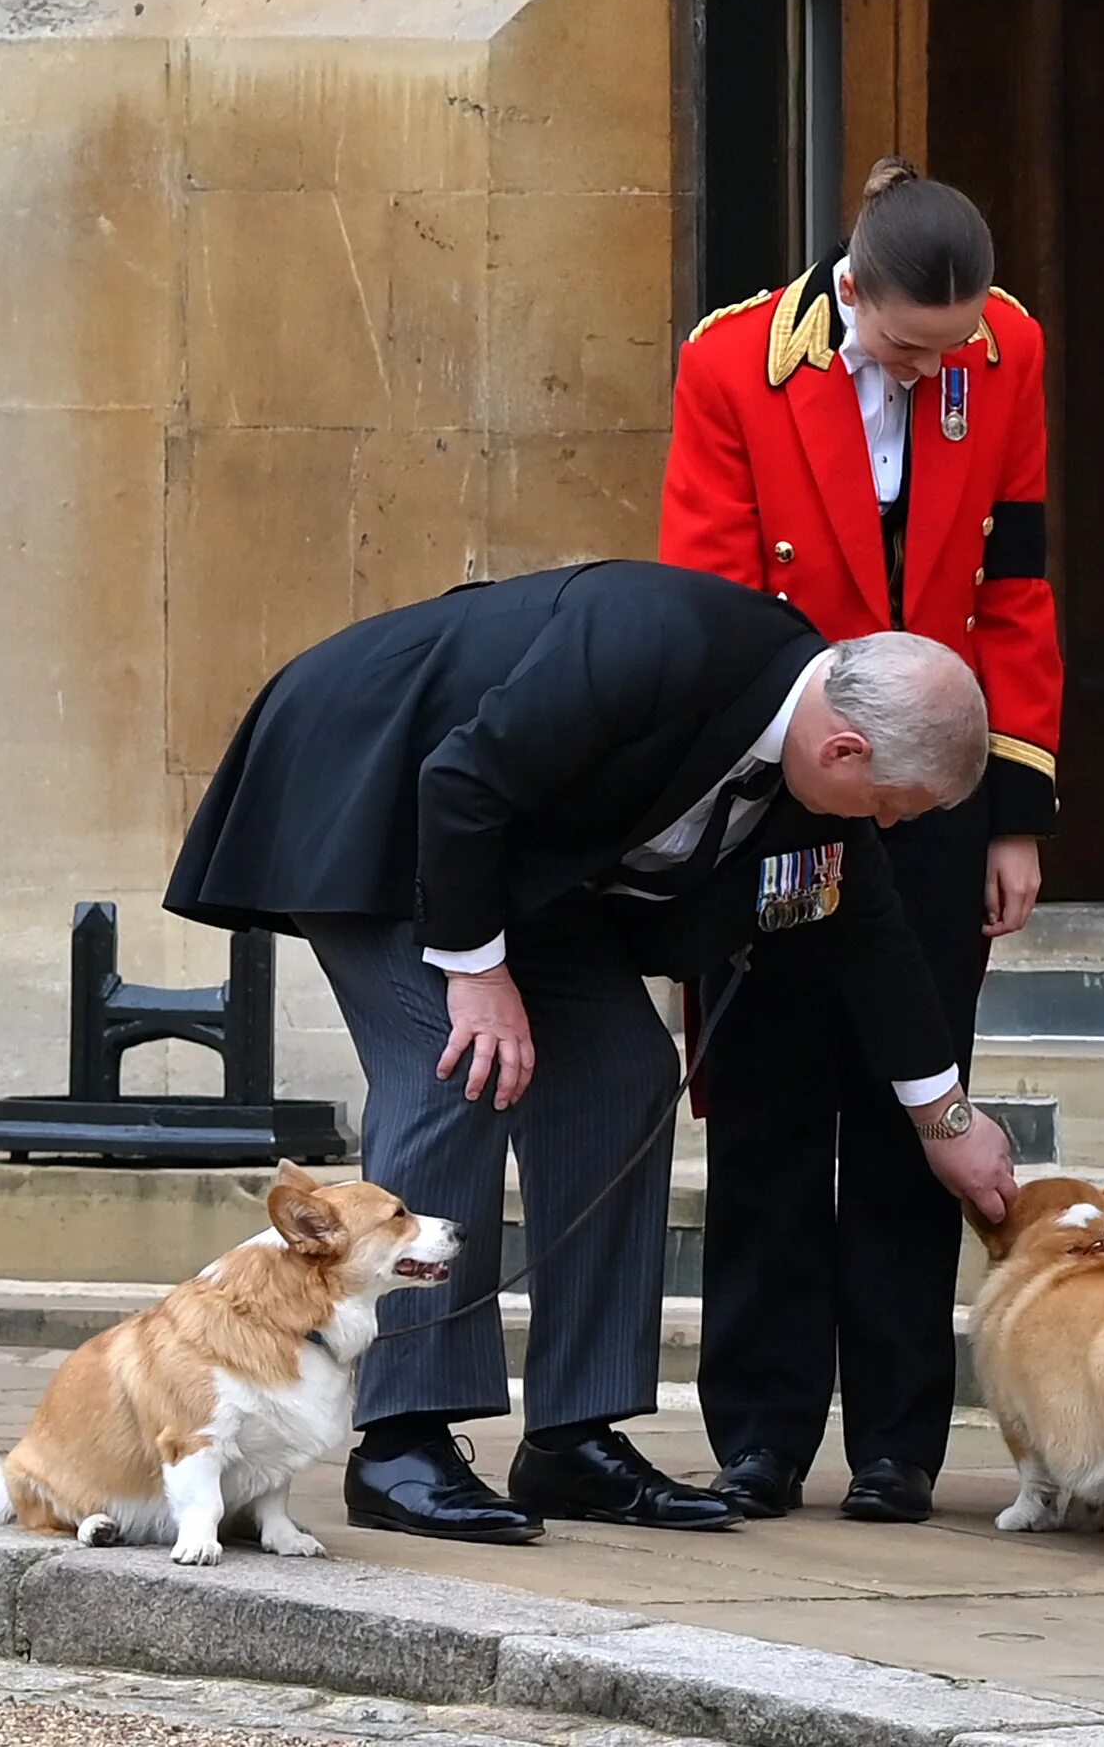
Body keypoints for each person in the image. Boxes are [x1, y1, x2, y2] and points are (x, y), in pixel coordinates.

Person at [164, 561, 1024, 1546]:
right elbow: (463, 778)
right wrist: (478, 976)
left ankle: (575, 1433)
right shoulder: (657, 641)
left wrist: (943, 1117)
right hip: (376, 789)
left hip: (520, 863)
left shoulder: (810, 771)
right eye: (892, 804)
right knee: (459, 1067)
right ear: (845, 748)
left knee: (625, 1069)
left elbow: (867, 928)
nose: (884, 825)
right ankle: (403, 1439)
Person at [658, 159, 1062, 1526]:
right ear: (852, 293)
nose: (933, 367)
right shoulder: (730, 362)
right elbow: (707, 596)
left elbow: (1018, 584)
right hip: (794, 769)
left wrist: (1015, 810)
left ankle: (898, 1441)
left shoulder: (1007, 349)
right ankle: (761, 1432)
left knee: (913, 1111)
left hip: (936, 783)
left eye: (951, 347)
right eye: (906, 346)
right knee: (770, 1105)